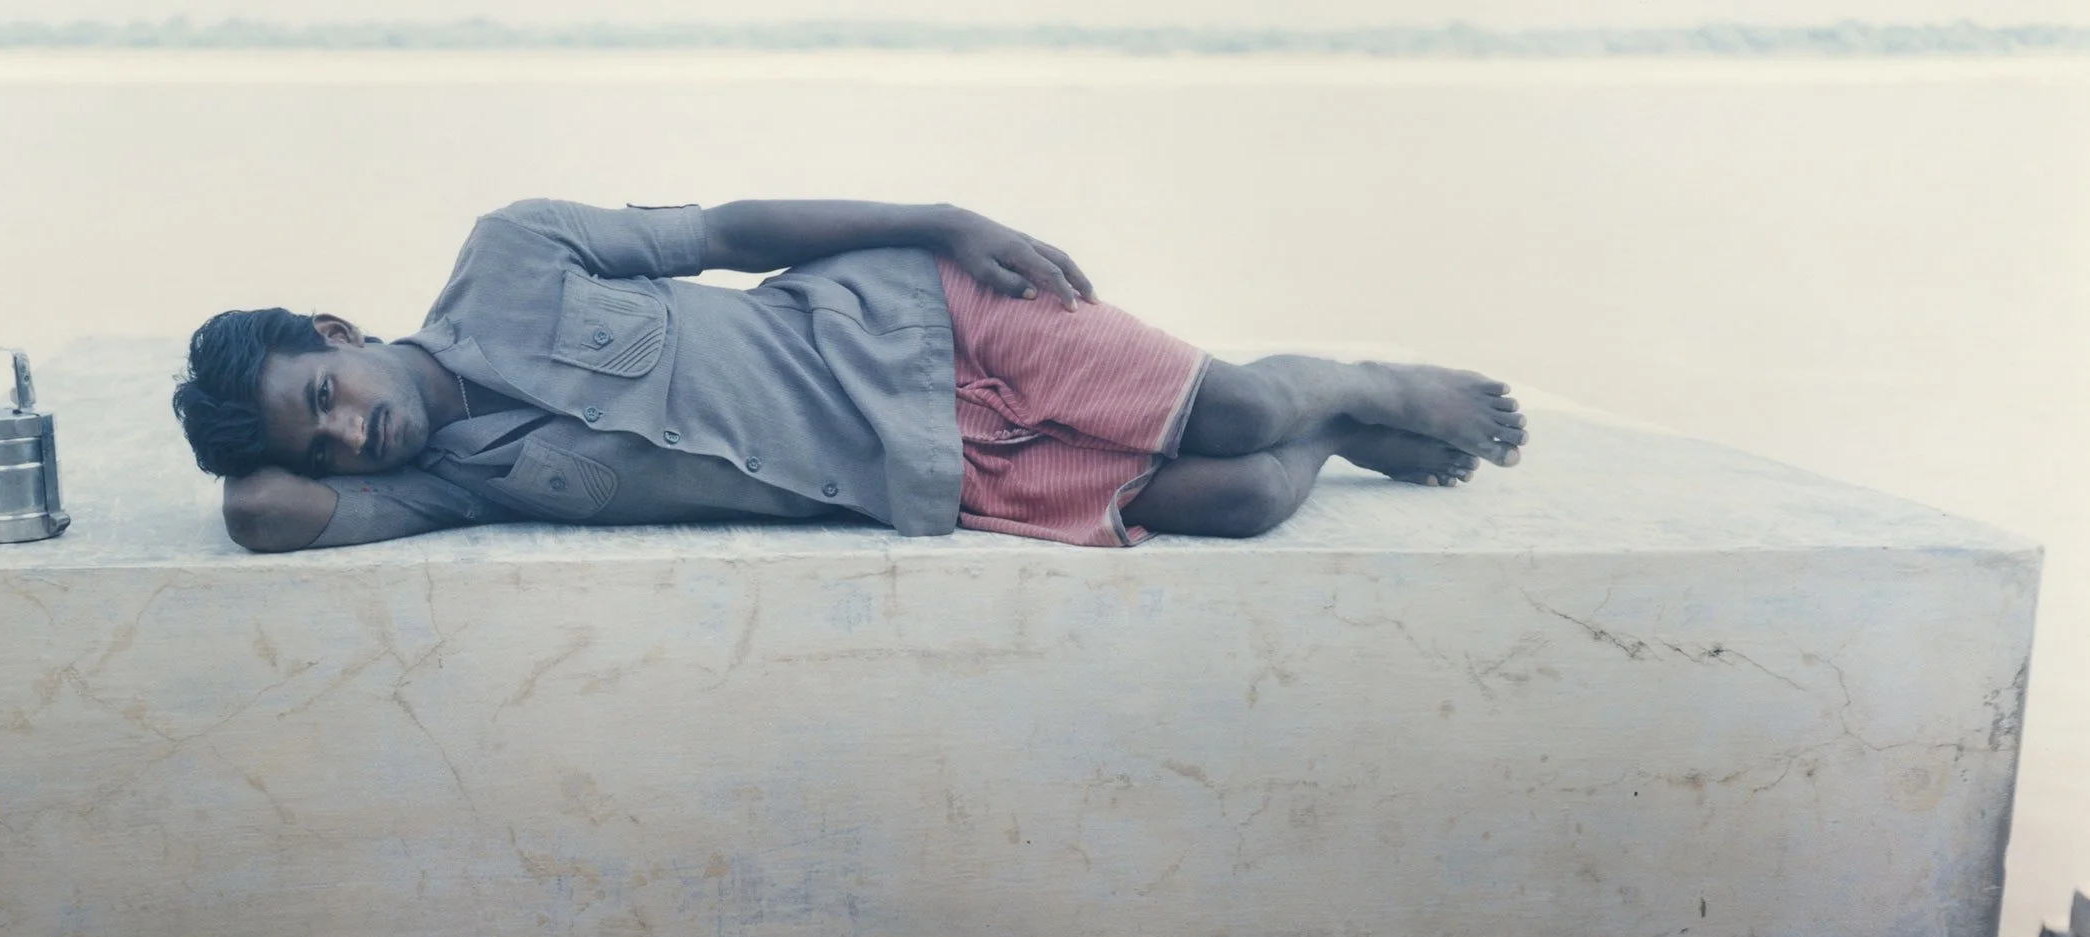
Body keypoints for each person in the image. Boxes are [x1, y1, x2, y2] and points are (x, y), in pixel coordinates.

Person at [171, 198, 1525, 554]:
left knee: (1238, 407)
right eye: (325, 445)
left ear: (337, 331)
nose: (353, 437)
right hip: (920, 470)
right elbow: (263, 516)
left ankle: (1360, 381)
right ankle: (1340, 432)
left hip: (910, 323)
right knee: (1240, 498)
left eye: (325, 397)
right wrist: (257, 450)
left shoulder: (512, 255)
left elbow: (729, 232)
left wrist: (940, 221)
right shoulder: (455, 488)